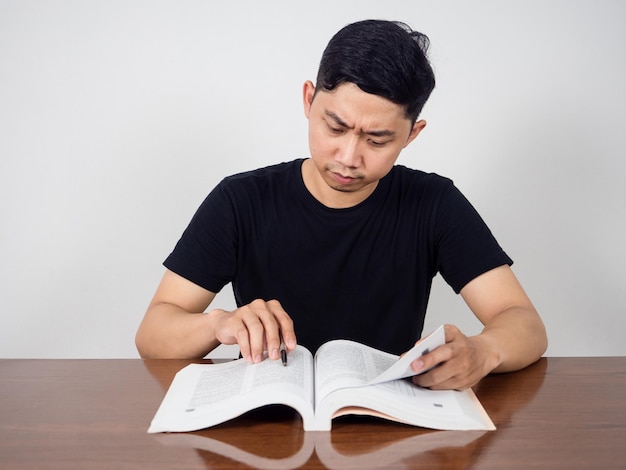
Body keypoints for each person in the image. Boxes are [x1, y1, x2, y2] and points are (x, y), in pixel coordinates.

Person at [135, 19, 547, 390]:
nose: (349, 157)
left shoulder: (433, 204)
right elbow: (153, 332)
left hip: (385, 423)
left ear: (412, 135)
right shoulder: (241, 200)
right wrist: (219, 323)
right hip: (267, 423)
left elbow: (523, 322)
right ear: (308, 100)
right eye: (335, 126)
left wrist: (483, 350)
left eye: (378, 139)